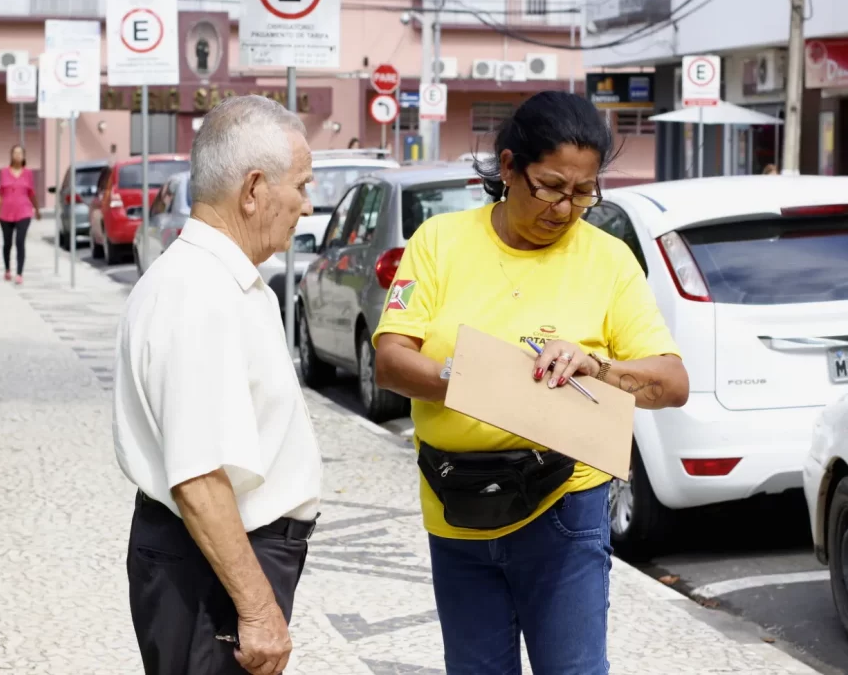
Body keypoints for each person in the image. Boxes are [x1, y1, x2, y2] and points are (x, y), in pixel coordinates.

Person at [372, 90, 690, 675]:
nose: (565, 209)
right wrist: (483, 380)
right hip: (457, 504)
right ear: (510, 167)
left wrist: (598, 369)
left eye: (583, 194)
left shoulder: (609, 259)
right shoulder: (437, 242)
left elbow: (672, 382)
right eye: (550, 187)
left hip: (566, 505)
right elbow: (390, 360)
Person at [113, 95, 321, 675]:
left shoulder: (216, 280)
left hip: (218, 562)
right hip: (213, 571)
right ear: (253, 189)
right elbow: (199, 477)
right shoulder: (198, 294)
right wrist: (256, 611)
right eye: (301, 186)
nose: (306, 205)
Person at [0, 145, 40, 285]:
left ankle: (19, 273)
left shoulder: (28, 173)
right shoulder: (4, 172)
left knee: (20, 241)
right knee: (7, 243)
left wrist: (37, 209)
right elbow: (0, 194)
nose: (18, 155)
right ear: (11, 155)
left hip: (24, 212)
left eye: (20, 153)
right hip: (6, 213)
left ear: (24, 156)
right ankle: (7, 269)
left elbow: (31, 193)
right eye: (15, 153)